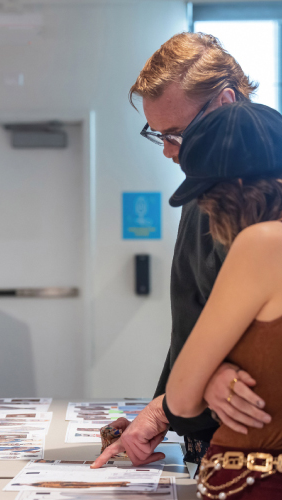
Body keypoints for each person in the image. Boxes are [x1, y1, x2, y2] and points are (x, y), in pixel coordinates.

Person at [92, 32, 271, 469]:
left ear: (226, 103)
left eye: (176, 134)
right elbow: (193, 321)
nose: (170, 152)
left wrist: (199, 383)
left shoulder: (253, 196)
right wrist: (163, 409)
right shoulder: (199, 195)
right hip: (212, 443)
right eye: (159, 136)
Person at [166, 101, 282, 498]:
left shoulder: (262, 243)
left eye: (207, 201)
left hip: (256, 480)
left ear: (232, 187)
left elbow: (181, 397)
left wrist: (208, 377)